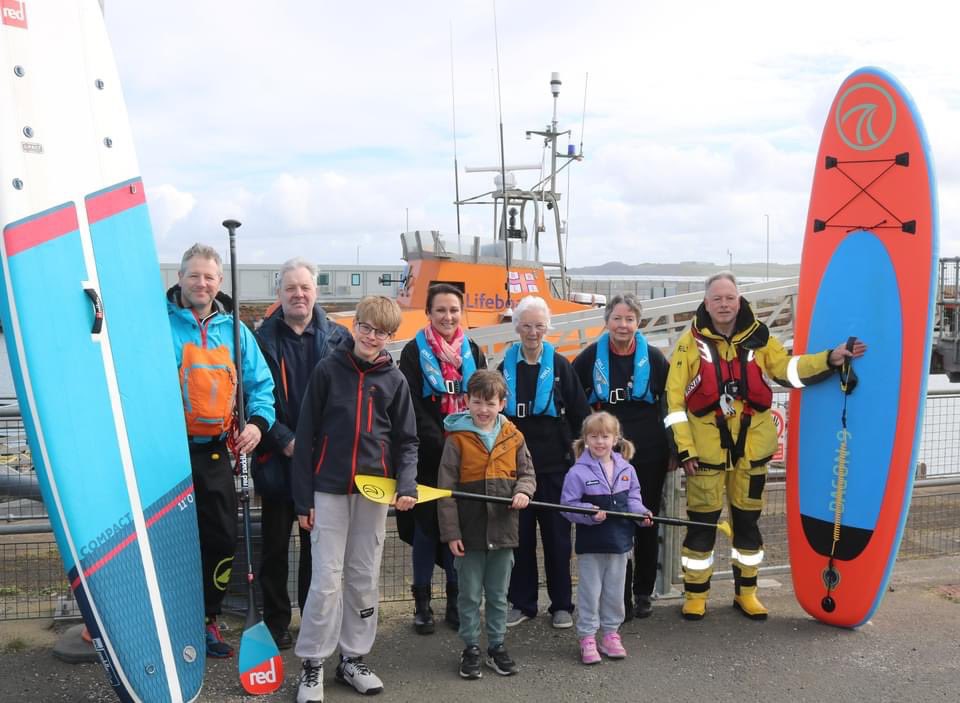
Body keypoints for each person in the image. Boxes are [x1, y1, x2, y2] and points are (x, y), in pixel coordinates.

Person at [665, 271, 867, 621]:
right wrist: (686, 450)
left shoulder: (760, 338)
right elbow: (674, 402)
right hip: (705, 456)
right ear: (706, 303)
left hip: (752, 454)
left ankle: (747, 593)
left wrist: (829, 359)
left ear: (739, 299)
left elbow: (786, 369)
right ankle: (696, 595)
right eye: (717, 299)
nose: (724, 304)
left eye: (730, 298)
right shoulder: (688, 344)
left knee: (747, 526)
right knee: (702, 527)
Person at [291, 296, 419, 702]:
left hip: (374, 492)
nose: (371, 336)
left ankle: (353, 658)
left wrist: (407, 485)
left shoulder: (394, 381)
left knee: (363, 578)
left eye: (380, 332)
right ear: (355, 326)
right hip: (327, 489)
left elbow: (407, 441)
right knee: (326, 581)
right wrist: (302, 500)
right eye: (365, 327)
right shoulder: (328, 371)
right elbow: (306, 435)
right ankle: (312, 663)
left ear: (390, 337)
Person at [166, 243, 276, 658]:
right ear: (180, 278)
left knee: (220, 539)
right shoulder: (159, 324)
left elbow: (260, 386)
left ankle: (208, 618)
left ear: (219, 281)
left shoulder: (235, 331)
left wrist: (256, 425)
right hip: (167, 454)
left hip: (214, 452)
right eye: (194, 275)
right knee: (168, 540)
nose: (201, 283)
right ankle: (168, 618)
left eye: (209, 276)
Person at [253, 257, 351, 650]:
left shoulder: (339, 338)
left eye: (305, 288)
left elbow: (346, 398)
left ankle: (314, 621)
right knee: (275, 548)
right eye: (290, 288)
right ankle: (276, 622)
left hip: (322, 463)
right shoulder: (260, 341)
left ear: (316, 292)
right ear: (279, 294)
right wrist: (283, 438)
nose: (298, 294)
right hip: (278, 459)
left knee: (318, 550)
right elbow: (251, 397)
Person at [572, 293, 674, 620]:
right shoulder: (589, 359)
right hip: (606, 455)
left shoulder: (656, 360)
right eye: (617, 318)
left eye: (629, 319)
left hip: (649, 452)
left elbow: (670, 406)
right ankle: (617, 598)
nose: (623, 325)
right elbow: (575, 403)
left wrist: (673, 449)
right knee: (613, 523)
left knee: (645, 520)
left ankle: (642, 591)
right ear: (607, 321)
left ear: (638, 322)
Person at [397, 284, 487, 634]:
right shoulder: (411, 352)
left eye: (454, 310)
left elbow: (481, 398)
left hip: (462, 455)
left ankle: (455, 598)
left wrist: (462, 443)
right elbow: (411, 405)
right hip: (427, 454)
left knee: (456, 527)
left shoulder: (473, 350)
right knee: (424, 529)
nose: (448, 317)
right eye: (440, 311)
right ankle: (421, 603)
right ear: (429, 314)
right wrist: (439, 441)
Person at [436, 370, 536, 679]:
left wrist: (522, 491)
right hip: (469, 532)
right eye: (476, 402)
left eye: (489, 403)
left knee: (497, 594)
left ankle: (496, 646)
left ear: (502, 404)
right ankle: (470, 648)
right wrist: (451, 533)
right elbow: (445, 491)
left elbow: (527, 474)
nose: (483, 409)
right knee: (468, 595)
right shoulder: (456, 441)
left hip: (504, 532)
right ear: (466, 401)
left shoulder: (514, 437)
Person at [498, 296, 590, 629]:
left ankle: (562, 604)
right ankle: (522, 603)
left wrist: (583, 462)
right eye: (526, 325)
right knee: (519, 540)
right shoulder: (504, 367)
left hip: (555, 469)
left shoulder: (562, 367)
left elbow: (582, 414)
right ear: (516, 327)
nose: (533, 332)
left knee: (557, 539)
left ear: (547, 327)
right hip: (515, 470)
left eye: (539, 326)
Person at [561, 412, 652, 664]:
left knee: (614, 591)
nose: (599, 441)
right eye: (594, 436)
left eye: (605, 436)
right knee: (590, 591)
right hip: (591, 545)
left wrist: (641, 514)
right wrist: (588, 514)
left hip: (620, 542)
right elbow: (567, 506)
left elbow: (634, 499)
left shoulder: (627, 468)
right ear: (585, 439)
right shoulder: (577, 472)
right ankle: (587, 636)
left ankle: (611, 633)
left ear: (616, 438)